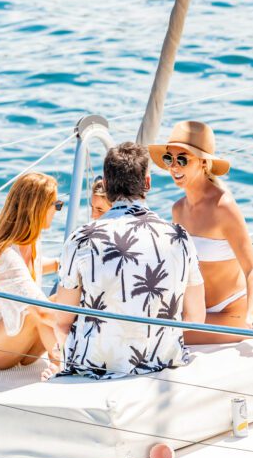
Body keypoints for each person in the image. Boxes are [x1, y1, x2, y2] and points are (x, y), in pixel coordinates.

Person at [54, 142, 206, 379]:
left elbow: (61, 320)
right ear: (147, 183)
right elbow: (196, 318)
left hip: (94, 371)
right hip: (163, 362)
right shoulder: (179, 237)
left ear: (105, 185)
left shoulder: (82, 238)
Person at [149, 121, 253, 344]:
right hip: (197, 311)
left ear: (203, 162)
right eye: (169, 159)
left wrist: (252, 313)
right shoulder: (178, 209)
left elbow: (252, 269)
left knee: (162, 337)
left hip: (234, 313)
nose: (174, 166)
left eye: (182, 159)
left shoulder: (224, 206)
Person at [0, 172, 62, 375]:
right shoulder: (3, 254)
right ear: (37, 209)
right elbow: (41, 311)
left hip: (14, 342)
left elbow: (31, 270)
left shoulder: (31, 242)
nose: (57, 211)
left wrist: (69, 266)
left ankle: (61, 361)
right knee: (37, 310)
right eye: (56, 205)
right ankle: (61, 364)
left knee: (60, 300)